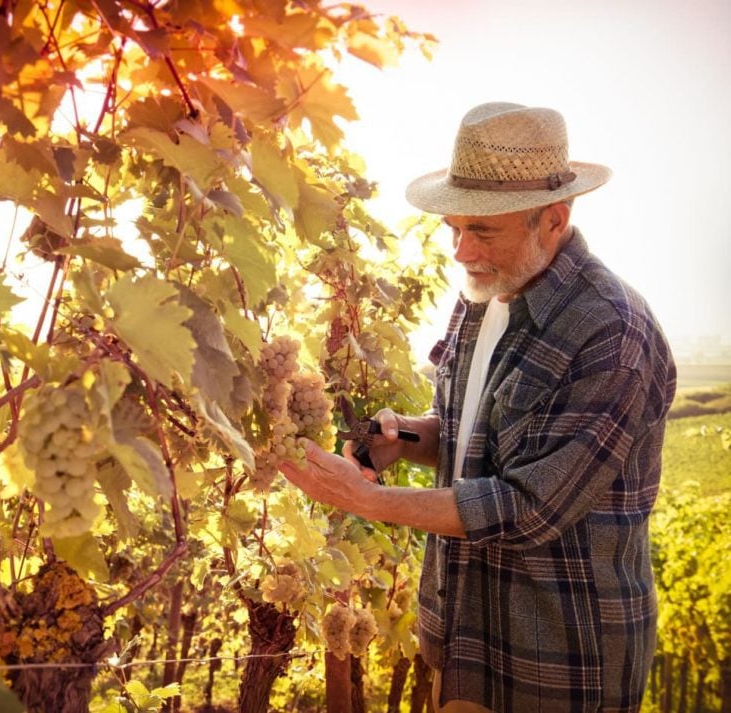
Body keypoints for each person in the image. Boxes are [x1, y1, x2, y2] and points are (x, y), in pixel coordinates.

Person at [279, 102, 676, 712]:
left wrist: (369, 500)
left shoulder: (613, 334)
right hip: (463, 635)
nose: (461, 251)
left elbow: (530, 506)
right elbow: (478, 434)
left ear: (555, 219)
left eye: (483, 231)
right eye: (454, 229)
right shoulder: (486, 293)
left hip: (559, 659)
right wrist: (408, 436)